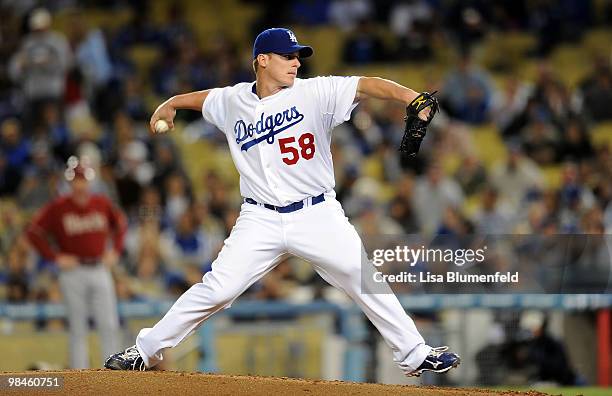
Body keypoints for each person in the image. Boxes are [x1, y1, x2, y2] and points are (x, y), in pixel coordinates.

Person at [104, 28, 460, 377]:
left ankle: (415, 353)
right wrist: (171, 103)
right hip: (259, 219)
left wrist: (411, 97)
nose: (295, 63)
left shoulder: (315, 92)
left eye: (297, 57)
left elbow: (367, 84)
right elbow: (206, 97)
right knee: (218, 288)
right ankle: (145, 351)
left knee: (361, 275)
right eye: (287, 56)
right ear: (262, 60)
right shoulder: (233, 101)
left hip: (316, 212)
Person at [27, 156, 127, 368]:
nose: (80, 184)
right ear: (70, 182)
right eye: (76, 180)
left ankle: (114, 375)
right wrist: (54, 257)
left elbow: (121, 224)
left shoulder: (101, 202)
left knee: (108, 323)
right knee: (77, 327)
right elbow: (33, 231)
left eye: (83, 179)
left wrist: (115, 251)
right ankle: (78, 378)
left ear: (89, 181)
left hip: (99, 267)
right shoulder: (59, 207)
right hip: (73, 271)